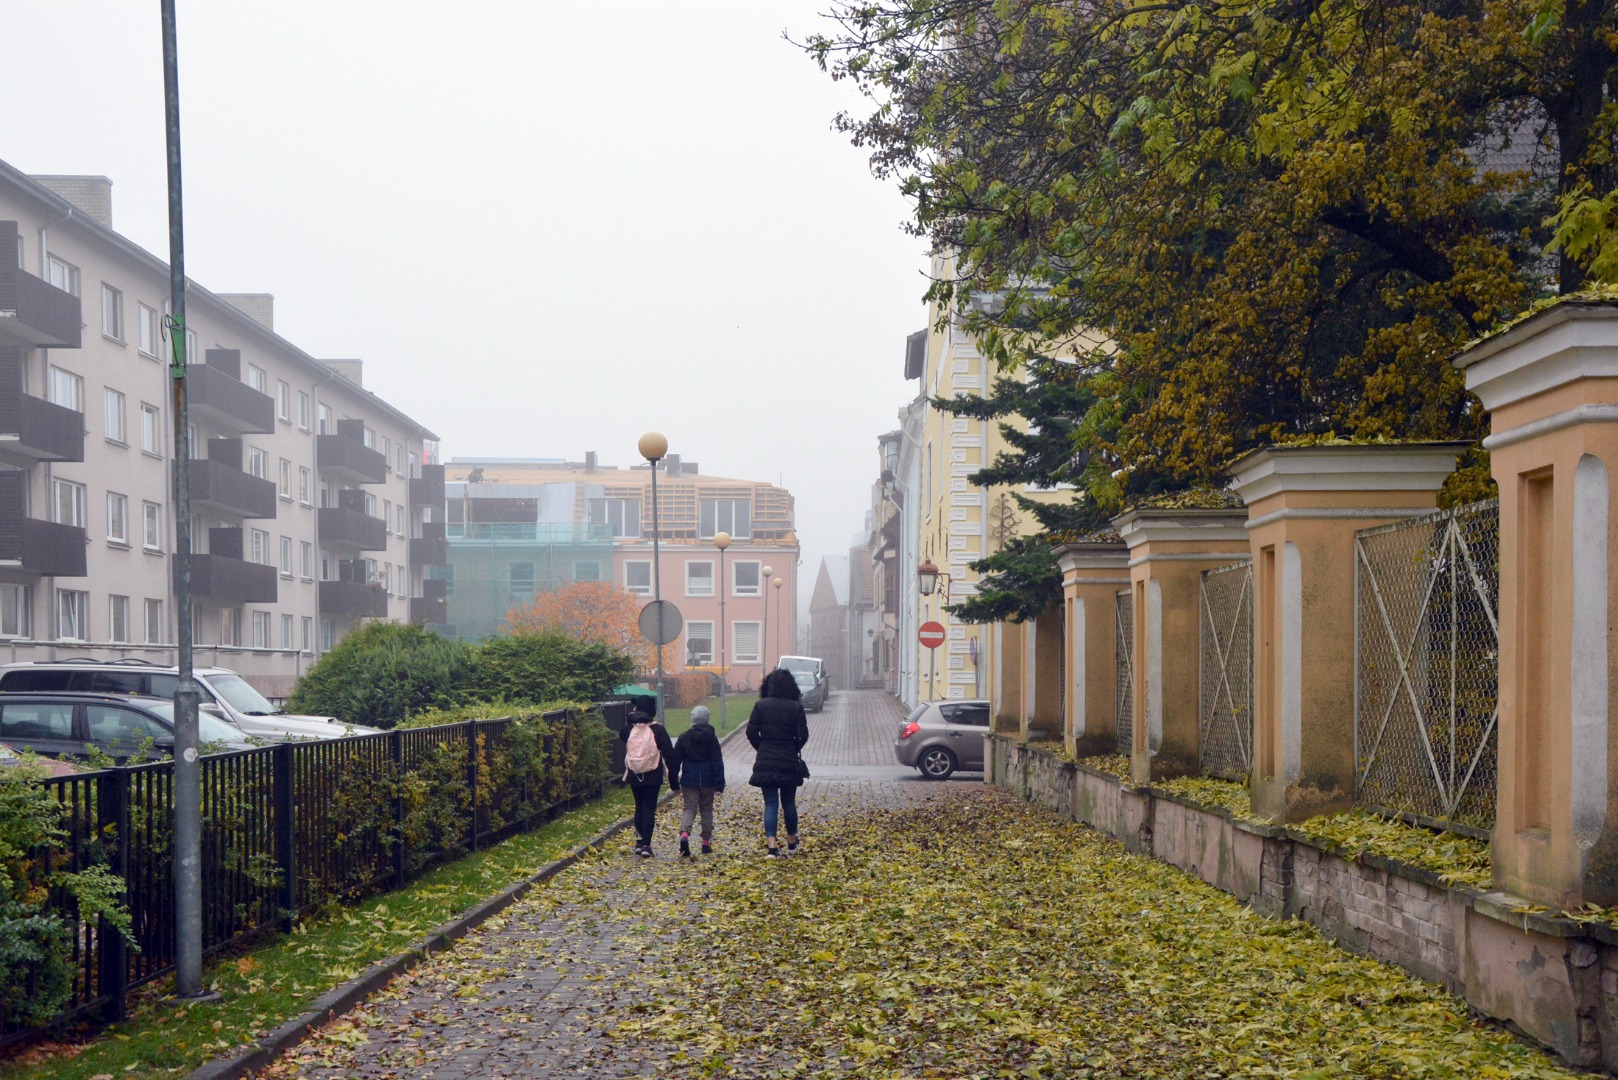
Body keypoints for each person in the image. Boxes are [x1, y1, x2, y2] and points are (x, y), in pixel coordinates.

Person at [746, 668, 810, 857]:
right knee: (789, 803)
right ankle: (791, 841)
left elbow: (751, 732)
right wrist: (793, 749)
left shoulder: (760, 705)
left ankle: (772, 847)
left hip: (766, 762)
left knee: (771, 804)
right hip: (788, 761)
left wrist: (762, 748)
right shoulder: (795, 707)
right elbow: (803, 735)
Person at [620, 695, 679, 857]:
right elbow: (670, 755)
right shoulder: (658, 729)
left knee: (639, 806)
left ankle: (639, 841)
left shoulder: (629, 729)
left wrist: (632, 718)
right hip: (653, 775)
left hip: (634, 774)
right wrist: (674, 782)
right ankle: (647, 845)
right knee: (649, 808)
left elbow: (622, 737)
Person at [672, 704, 726, 856]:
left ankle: (684, 834)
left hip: (689, 778)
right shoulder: (712, 738)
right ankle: (705, 842)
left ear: (693, 719)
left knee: (689, 808)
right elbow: (717, 761)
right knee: (706, 809)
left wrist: (673, 781)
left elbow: (675, 761)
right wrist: (719, 782)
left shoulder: (684, 737)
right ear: (707, 720)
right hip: (708, 779)